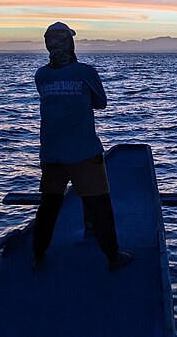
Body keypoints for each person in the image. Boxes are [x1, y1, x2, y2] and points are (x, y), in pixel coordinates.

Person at [32, 21, 134, 271]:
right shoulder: (85, 72)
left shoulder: (41, 75)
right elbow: (101, 103)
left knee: (49, 206)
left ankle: (37, 257)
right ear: (70, 43)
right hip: (83, 152)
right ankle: (113, 257)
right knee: (98, 205)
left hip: (51, 153)